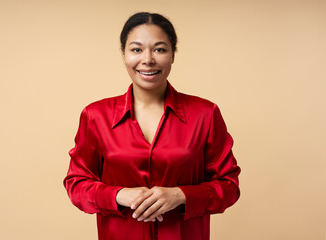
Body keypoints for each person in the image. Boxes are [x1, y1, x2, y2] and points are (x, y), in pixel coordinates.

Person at [63, 12, 241, 240]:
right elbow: (76, 184)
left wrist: (181, 195)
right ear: (123, 54)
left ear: (173, 55)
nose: (148, 59)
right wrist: (118, 195)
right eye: (136, 49)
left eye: (159, 49)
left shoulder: (205, 114)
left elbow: (229, 186)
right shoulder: (96, 116)